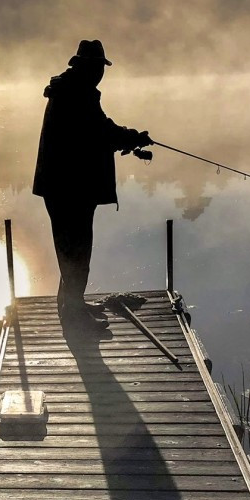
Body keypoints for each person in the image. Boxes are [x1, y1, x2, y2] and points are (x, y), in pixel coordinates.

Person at [33, 39, 151, 332]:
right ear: (88, 66)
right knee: (77, 252)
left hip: (64, 185)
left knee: (70, 251)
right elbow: (100, 132)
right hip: (69, 188)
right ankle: (74, 317)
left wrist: (129, 137)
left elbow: (97, 131)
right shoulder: (77, 93)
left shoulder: (71, 89)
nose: (101, 73)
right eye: (99, 67)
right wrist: (132, 137)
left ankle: (72, 305)